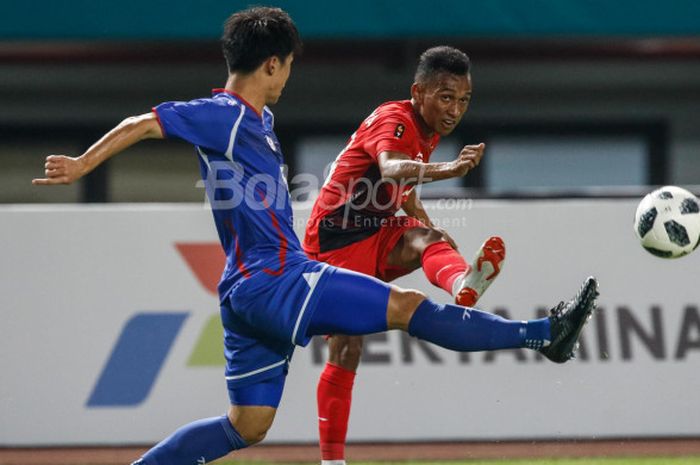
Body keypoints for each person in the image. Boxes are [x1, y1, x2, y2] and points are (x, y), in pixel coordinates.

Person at [33, 7, 598, 465]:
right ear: (273, 65)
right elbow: (144, 123)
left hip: (245, 291)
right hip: (281, 277)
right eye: (289, 67)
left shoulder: (255, 122)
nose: (289, 77)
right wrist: (83, 164)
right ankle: (544, 333)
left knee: (246, 426)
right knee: (406, 308)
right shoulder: (226, 114)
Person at [302, 45, 504, 465]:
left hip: (375, 230)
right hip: (333, 240)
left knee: (426, 239)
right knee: (346, 347)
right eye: (446, 97)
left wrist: (430, 225)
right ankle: (332, 461)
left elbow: (402, 191)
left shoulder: (427, 131)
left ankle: (462, 282)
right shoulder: (395, 118)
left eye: (464, 100)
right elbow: (393, 168)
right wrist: (450, 170)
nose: (455, 110)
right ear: (418, 92)